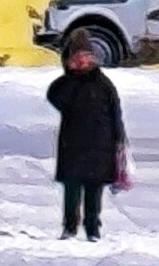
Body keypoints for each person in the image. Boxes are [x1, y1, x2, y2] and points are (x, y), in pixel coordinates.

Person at [47, 33, 125, 240]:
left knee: (94, 191)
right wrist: (71, 75)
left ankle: (93, 228)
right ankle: (70, 227)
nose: (83, 61)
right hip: (73, 144)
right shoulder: (65, 84)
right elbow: (56, 98)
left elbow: (115, 112)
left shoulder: (103, 84)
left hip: (101, 145)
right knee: (72, 189)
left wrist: (119, 140)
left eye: (87, 56)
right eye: (78, 57)